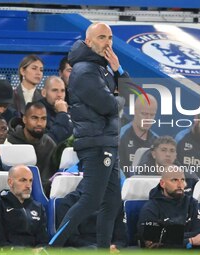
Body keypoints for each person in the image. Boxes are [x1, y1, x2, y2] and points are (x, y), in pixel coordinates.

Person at [49, 22, 129, 248]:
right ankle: (50, 247)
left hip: (108, 141)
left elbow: (131, 94)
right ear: (88, 41)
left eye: (110, 38)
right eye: (102, 37)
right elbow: (109, 106)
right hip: (95, 142)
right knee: (90, 200)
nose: (108, 43)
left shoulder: (102, 67)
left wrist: (119, 70)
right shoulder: (84, 70)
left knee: (112, 202)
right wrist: (116, 96)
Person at [137, 167, 200, 249]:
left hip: (189, 249)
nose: (180, 184)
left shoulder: (191, 203)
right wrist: (190, 240)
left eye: (182, 180)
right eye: (174, 180)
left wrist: (167, 235)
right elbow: (151, 240)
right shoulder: (151, 208)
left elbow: (199, 232)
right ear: (162, 183)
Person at [56, 180, 128, 250]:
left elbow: (120, 238)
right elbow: (71, 238)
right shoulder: (69, 202)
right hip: (80, 248)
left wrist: (116, 247)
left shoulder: (115, 201)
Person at [0, 165, 48, 249]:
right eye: (23, 180)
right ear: (10, 182)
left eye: (30, 181)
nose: (28, 186)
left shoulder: (38, 207)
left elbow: (43, 240)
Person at [8, 101, 56, 196]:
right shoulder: (10, 141)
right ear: (24, 119)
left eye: (43, 119)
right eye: (34, 118)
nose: (39, 123)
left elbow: (51, 177)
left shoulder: (49, 144)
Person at [119, 93, 158, 177]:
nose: (148, 119)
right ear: (135, 111)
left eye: (152, 115)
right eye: (144, 114)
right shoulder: (120, 136)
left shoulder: (157, 142)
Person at [40, 75, 73, 144]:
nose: (59, 95)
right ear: (44, 93)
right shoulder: (37, 111)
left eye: (62, 91)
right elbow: (49, 142)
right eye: (54, 90)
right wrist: (62, 113)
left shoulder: (71, 111)